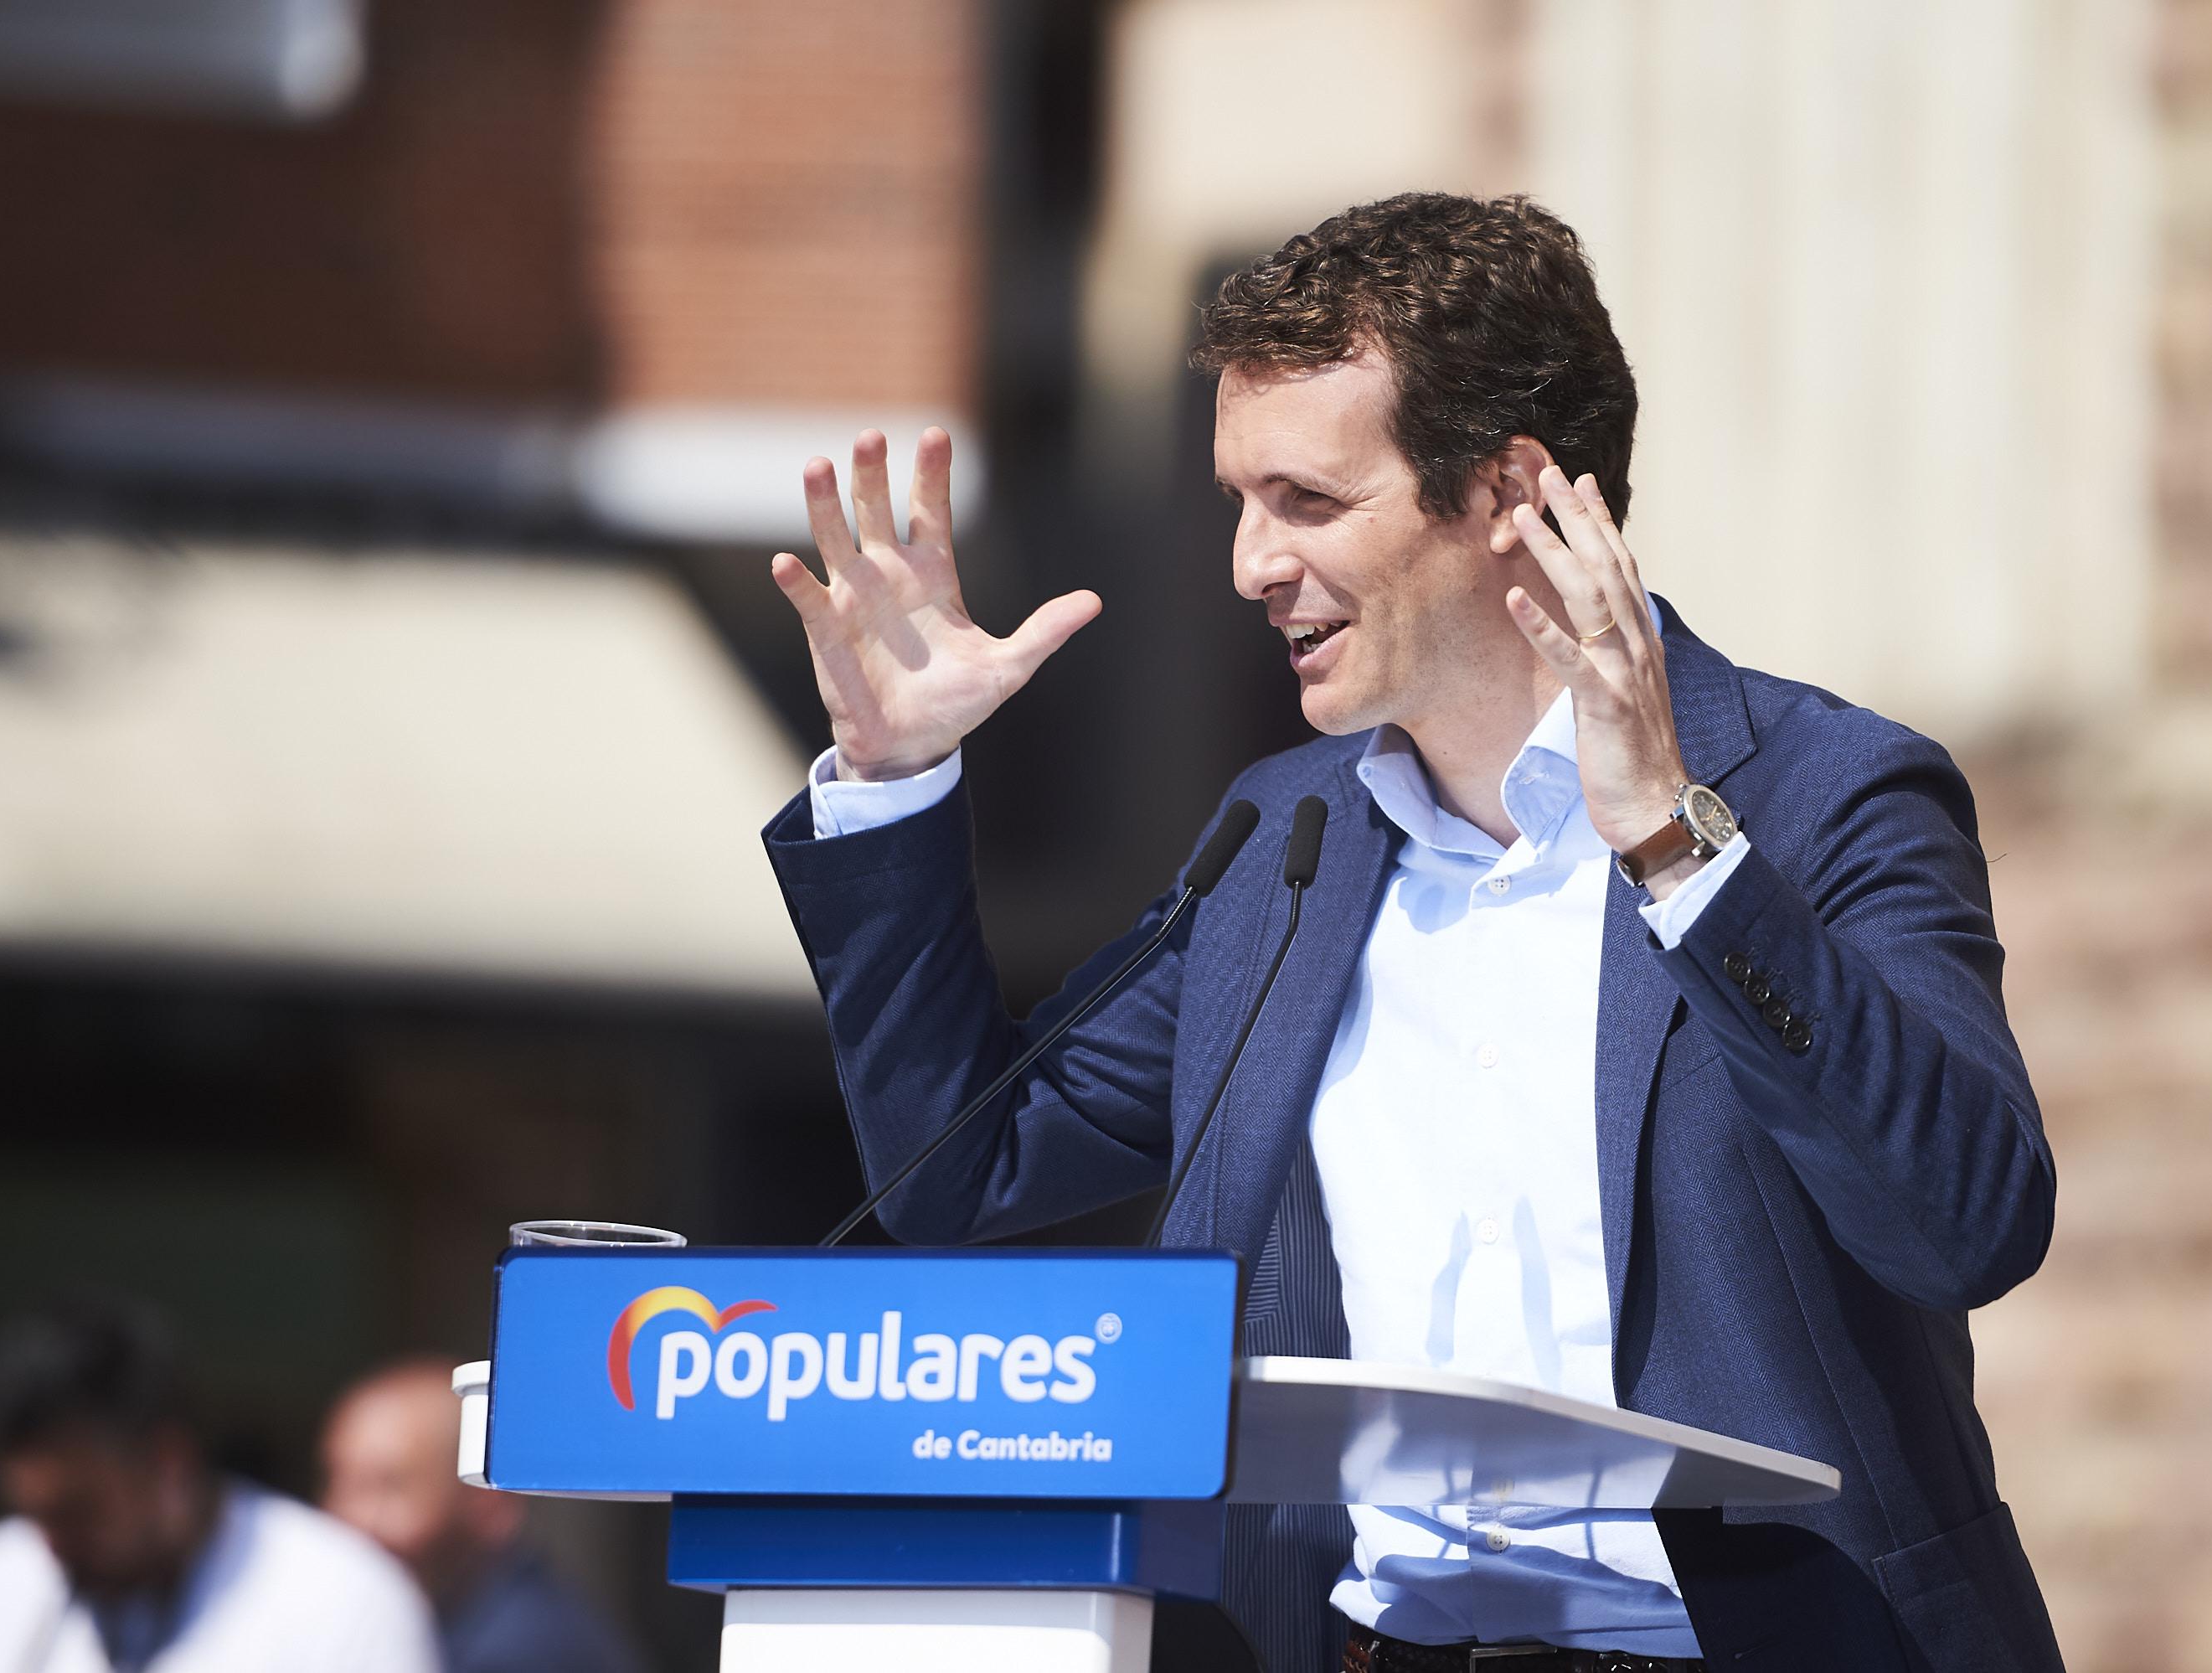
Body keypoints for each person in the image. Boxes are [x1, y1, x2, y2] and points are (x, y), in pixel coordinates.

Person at [761, 193, 2063, 1671]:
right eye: (1240, 502)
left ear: (1509, 491)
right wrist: (893, 783)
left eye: (1307, 502)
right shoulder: (1279, 848)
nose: (1250, 563)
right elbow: (963, 1168)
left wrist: (1675, 848)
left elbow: (1967, 1220)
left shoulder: (1825, 793)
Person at [0, 1298, 439, 1673]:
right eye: (34, 1514)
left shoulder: (342, 1597)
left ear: (167, 1460)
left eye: (80, 1510)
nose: (52, 1542)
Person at [321, 1358, 647, 1673]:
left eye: (389, 1487)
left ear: (485, 1501)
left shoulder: (520, 1652)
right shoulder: (450, 1622)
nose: (349, 1517)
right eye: (338, 1480)